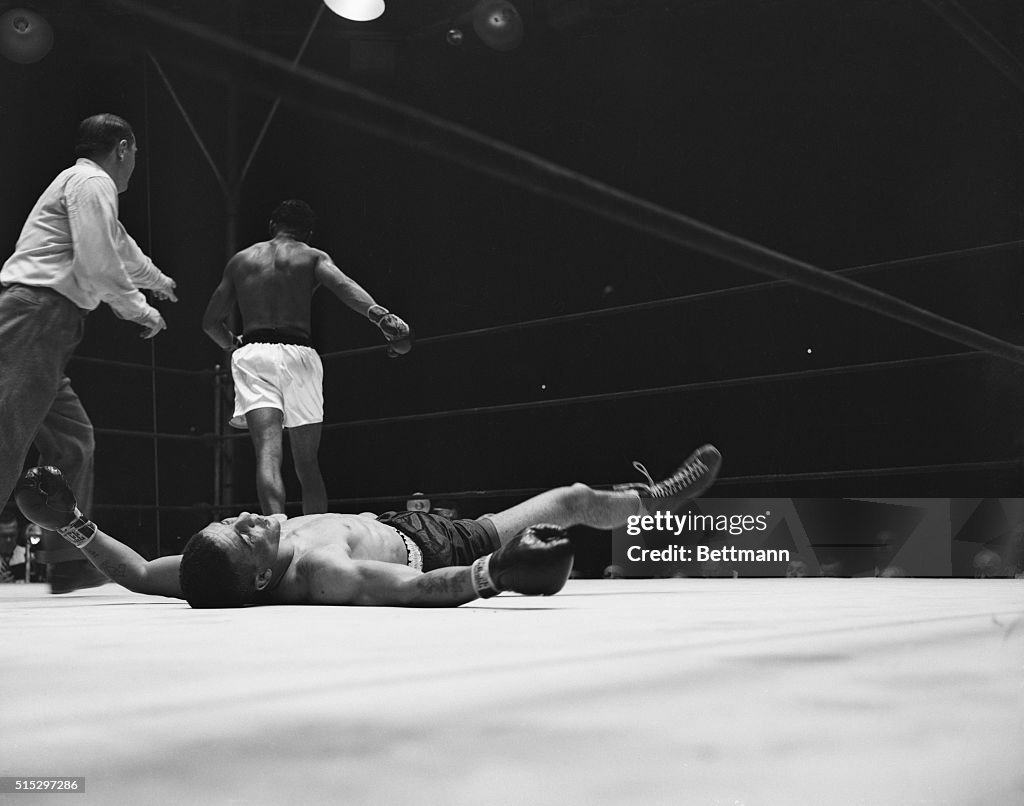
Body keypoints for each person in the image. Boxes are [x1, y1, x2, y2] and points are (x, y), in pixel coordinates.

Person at [15, 444, 722, 608]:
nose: (246, 518)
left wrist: (70, 522)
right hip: (448, 543)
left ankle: (646, 496)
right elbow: (415, 589)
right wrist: (493, 573)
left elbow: (139, 574)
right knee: (569, 497)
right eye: (248, 532)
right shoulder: (325, 573)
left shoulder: (213, 567)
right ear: (262, 575)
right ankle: (655, 500)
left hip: (394, 517)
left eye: (232, 521)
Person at [0, 113, 177, 594]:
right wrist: (139, 310)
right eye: (135, 154)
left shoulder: (89, 190)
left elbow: (122, 250)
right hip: (36, 314)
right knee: (7, 433)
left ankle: (66, 560)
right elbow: (99, 262)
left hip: (51, 325)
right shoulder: (90, 181)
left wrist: (160, 284)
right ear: (123, 148)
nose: (135, 165)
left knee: (74, 443)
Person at [202, 200, 412, 516]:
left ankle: (277, 533)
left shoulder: (241, 261)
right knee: (307, 461)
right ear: (308, 233)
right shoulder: (311, 256)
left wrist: (234, 345)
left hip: (253, 356)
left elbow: (210, 323)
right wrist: (380, 316)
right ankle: (315, 540)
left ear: (272, 225)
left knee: (267, 455)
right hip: (299, 356)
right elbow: (345, 285)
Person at [0, 511, 18, 583]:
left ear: (17, 533)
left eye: (12, 535)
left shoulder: (28, 557)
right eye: (4, 536)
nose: (8, 540)